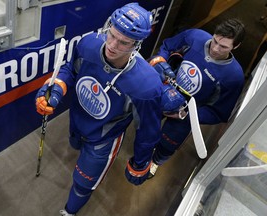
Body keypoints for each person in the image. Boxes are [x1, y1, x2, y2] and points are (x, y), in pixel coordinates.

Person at [35, 3, 185, 216]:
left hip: (103, 140)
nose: (113, 45)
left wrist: (140, 163)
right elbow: (70, 68)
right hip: (77, 120)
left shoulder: (146, 84)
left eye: (124, 42)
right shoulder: (88, 44)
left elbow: (147, 131)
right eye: (112, 35)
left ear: (137, 44)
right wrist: (56, 88)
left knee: (82, 184)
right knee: (74, 145)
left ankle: (69, 213)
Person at [148, 18, 246, 178]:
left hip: (185, 115)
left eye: (223, 47)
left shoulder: (233, 77)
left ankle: (155, 161)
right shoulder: (194, 37)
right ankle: (144, 147)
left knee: (167, 143)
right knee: (146, 124)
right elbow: (166, 47)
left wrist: (186, 114)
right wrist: (161, 64)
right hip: (162, 92)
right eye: (214, 41)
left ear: (236, 46)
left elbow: (219, 113)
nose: (215, 48)